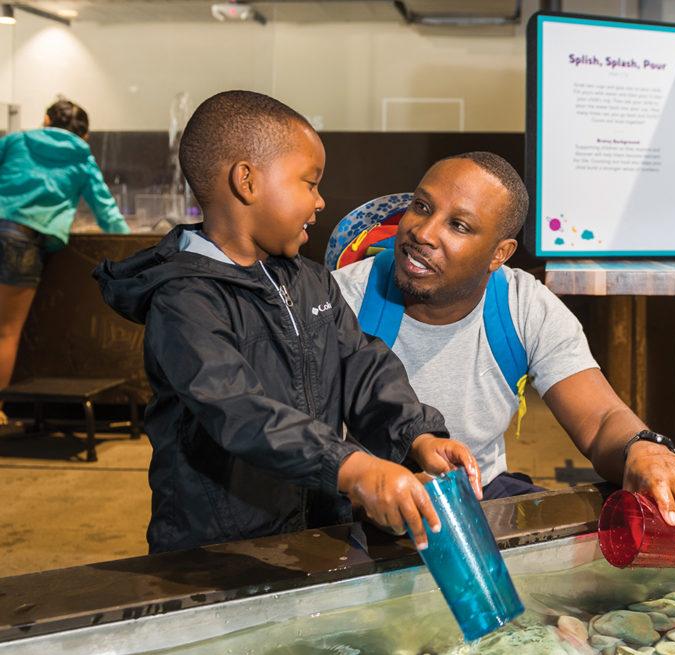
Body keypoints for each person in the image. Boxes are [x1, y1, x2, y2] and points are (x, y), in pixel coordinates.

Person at [93, 90, 479, 554]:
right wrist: (355, 468)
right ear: (247, 182)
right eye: (309, 182)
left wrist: (415, 433)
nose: (319, 202)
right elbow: (238, 410)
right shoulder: (184, 300)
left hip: (314, 530)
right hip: (217, 553)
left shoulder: (310, 280)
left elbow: (360, 363)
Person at [333, 152, 675, 548]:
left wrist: (641, 449)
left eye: (459, 225)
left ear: (499, 254)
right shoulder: (340, 300)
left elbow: (601, 418)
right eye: (421, 206)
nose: (423, 232)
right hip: (359, 503)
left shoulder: (523, 306)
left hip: (480, 496)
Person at [0, 99, 129, 425]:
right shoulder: (81, 157)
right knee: (4, 333)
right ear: (84, 136)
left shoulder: (16, 141)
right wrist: (130, 245)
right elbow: (106, 212)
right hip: (22, 241)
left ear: (45, 119)